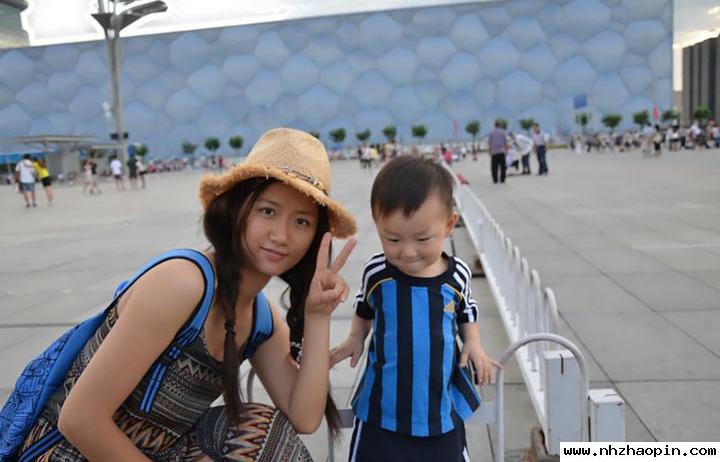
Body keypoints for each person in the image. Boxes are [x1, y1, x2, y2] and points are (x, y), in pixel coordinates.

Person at [16, 128, 358, 461]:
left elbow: (304, 417)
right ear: (235, 210)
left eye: (301, 222)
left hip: (156, 452)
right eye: (267, 211)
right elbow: (80, 419)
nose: (281, 235)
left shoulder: (261, 320)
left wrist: (317, 315)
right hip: (67, 453)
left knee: (264, 432)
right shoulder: (182, 283)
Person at [330, 156, 500, 462]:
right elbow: (364, 306)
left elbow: (466, 310)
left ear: (449, 225)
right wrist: (356, 336)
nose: (407, 252)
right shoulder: (377, 274)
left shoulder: (457, 275)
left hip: (440, 410)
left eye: (422, 239)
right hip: (382, 411)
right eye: (392, 239)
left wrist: (473, 343)